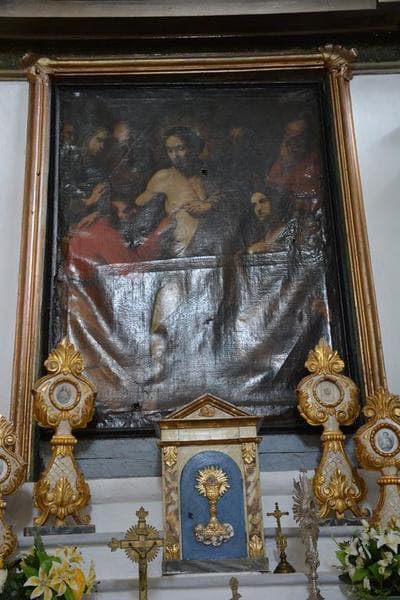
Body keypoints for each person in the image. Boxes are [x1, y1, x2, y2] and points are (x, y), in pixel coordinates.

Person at [135, 126, 219, 257]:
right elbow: (139, 208)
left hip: (208, 245)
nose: (175, 156)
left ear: (191, 148)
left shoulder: (204, 171)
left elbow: (218, 194)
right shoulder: (163, 177)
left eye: (180, 148)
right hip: (179, 249)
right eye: (170, 151)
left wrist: (208, 205)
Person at [246, 189, 297, 255]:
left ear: (274, 201)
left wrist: (266, 247)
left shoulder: (290, 230)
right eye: (254, 205)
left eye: (263, 201)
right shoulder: (264, 235)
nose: (258, 209)